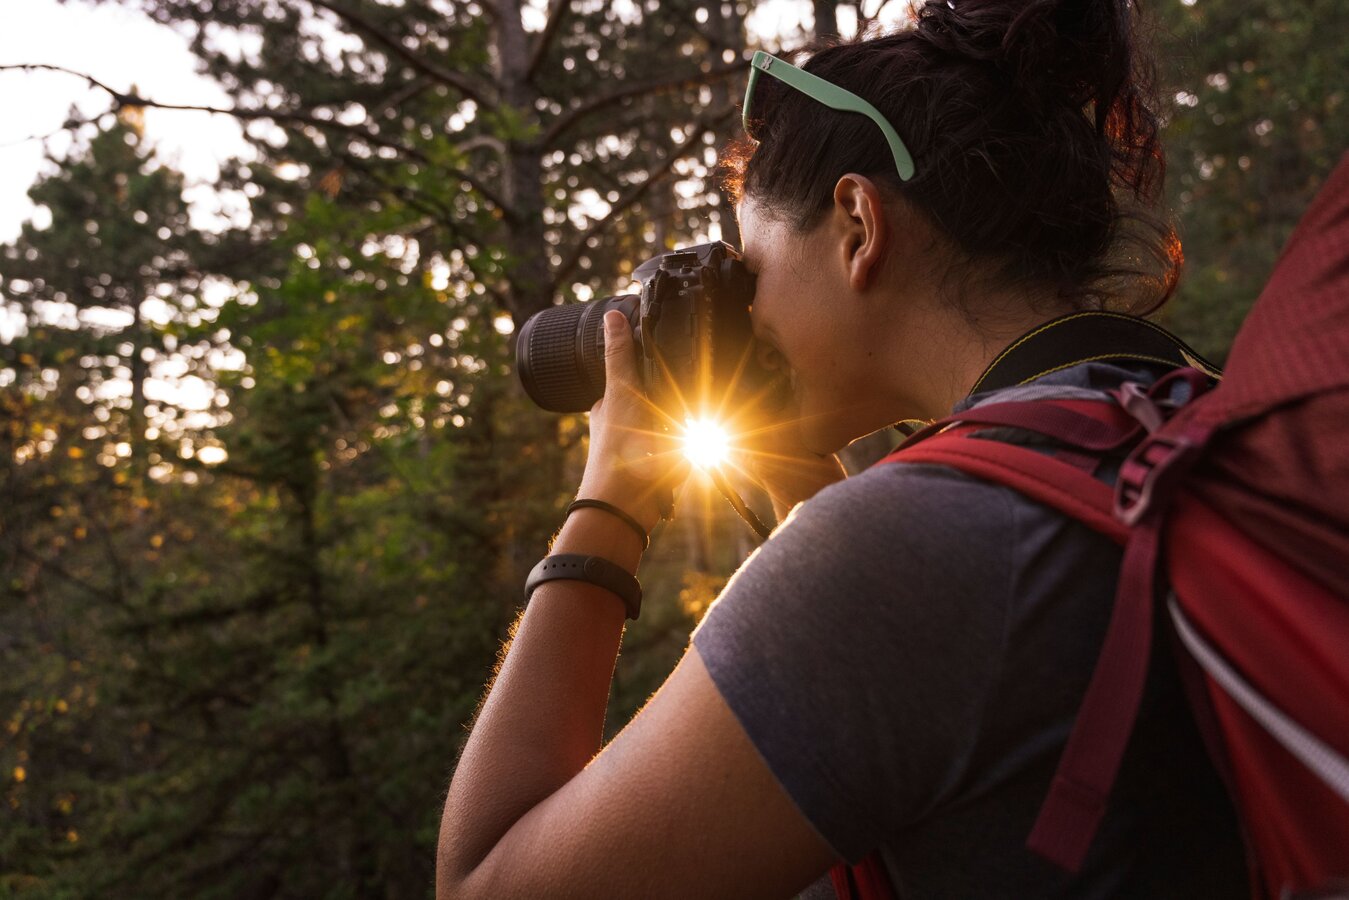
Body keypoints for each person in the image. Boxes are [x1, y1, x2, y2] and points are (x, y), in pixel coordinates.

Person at [436, 0, 1249, 896]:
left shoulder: (905, 551)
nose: (744, 311)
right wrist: (810, 496)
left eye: (751, 267)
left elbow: (487, 882)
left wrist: (609, 503)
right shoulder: (1191, 416)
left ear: (857, 226)